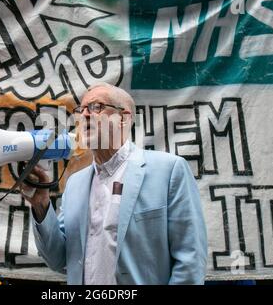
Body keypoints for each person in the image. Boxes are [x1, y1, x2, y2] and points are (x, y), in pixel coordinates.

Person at [21, 82, 207, 285]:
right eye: (80, 110)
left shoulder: (169, 170)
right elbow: (57, 259)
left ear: (123, 118)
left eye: (96, 106)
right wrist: (41, 205)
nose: (85, 115)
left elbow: (190, 261)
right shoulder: (75, 184)